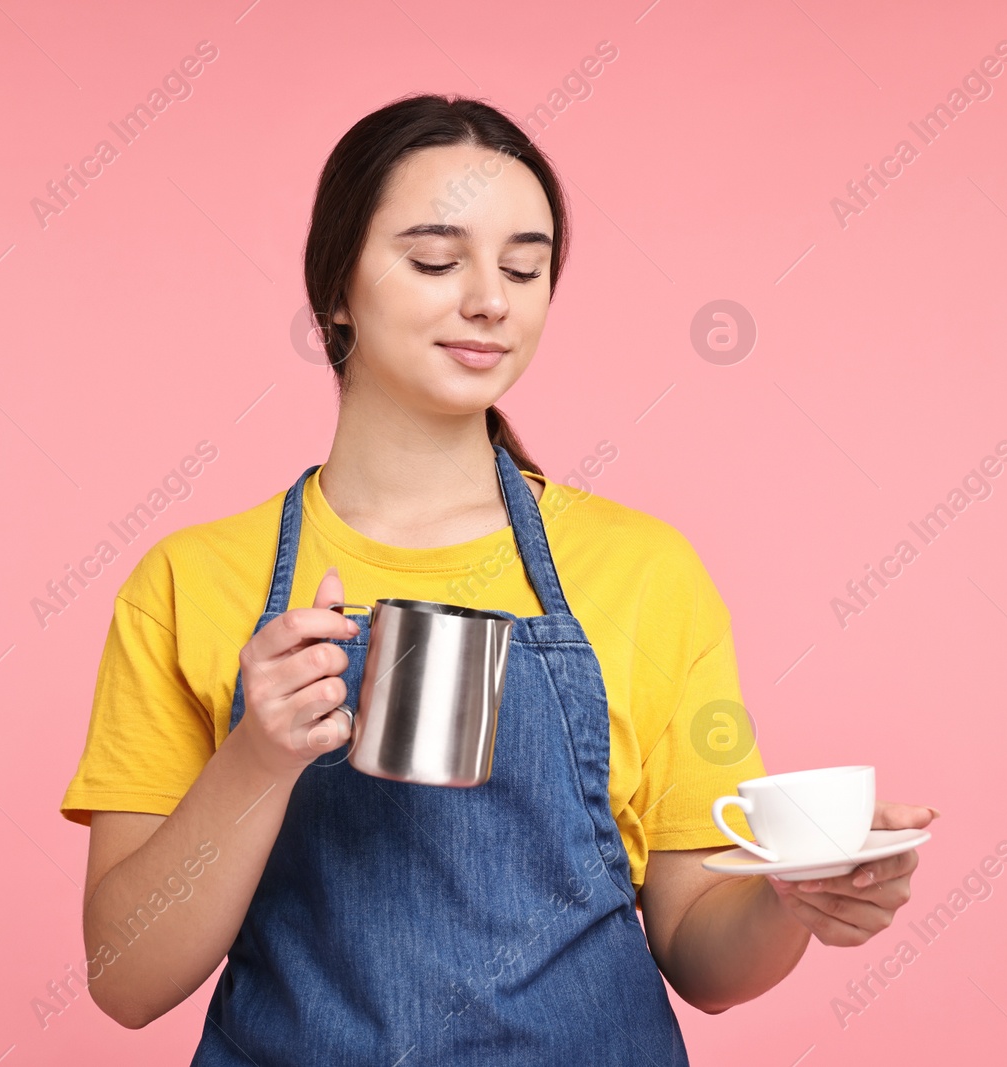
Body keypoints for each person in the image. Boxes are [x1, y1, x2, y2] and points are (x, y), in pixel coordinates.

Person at [59, 93, 937, 1065]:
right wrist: (257, 759)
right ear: (337, 287)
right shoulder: (189, 580)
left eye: (524, 266)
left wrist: (790, 898)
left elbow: (701, 955)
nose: (491, 299)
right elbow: (125, 981)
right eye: (437, 260)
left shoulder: (645, 571)